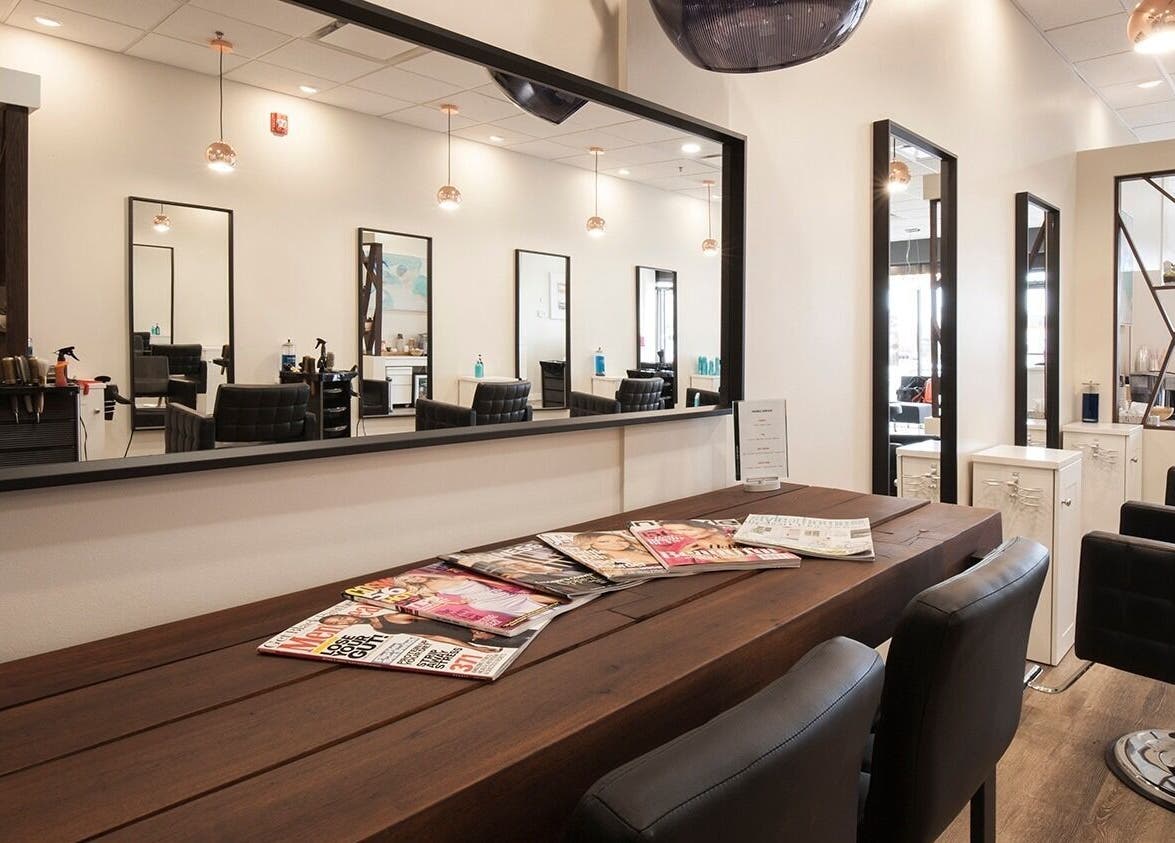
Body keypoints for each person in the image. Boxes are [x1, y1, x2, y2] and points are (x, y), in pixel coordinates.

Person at [317, 610, 533, 651]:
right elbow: (431, 636)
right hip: (482, 640)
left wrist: (478, 628)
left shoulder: (390, 617)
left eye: (339, 618)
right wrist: (473, 648)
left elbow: (438, 618)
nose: (341, 621)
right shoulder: (377, 628)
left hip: (488, 632)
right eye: (336, 623)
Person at [571, 531, 657, 570]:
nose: (616, 544)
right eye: (604, 542)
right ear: (589, 544)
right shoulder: (604, 559)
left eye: (621, 540)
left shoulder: (640, 551)